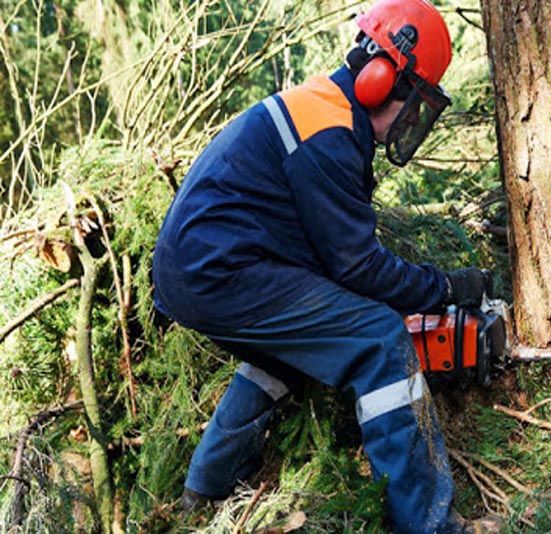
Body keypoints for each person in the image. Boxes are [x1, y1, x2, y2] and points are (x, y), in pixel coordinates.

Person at [151, 0, 490, 531]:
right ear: (383, 80)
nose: (411, 119)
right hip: (219, 271)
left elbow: (334, 261)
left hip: (200, 269)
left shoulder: (325, 110)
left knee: (284, 355)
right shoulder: (327, 134)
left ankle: (204, 488)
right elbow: (359, 268)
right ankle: (427, 524)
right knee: (378, 339)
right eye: (415, 102)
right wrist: (444, 287)